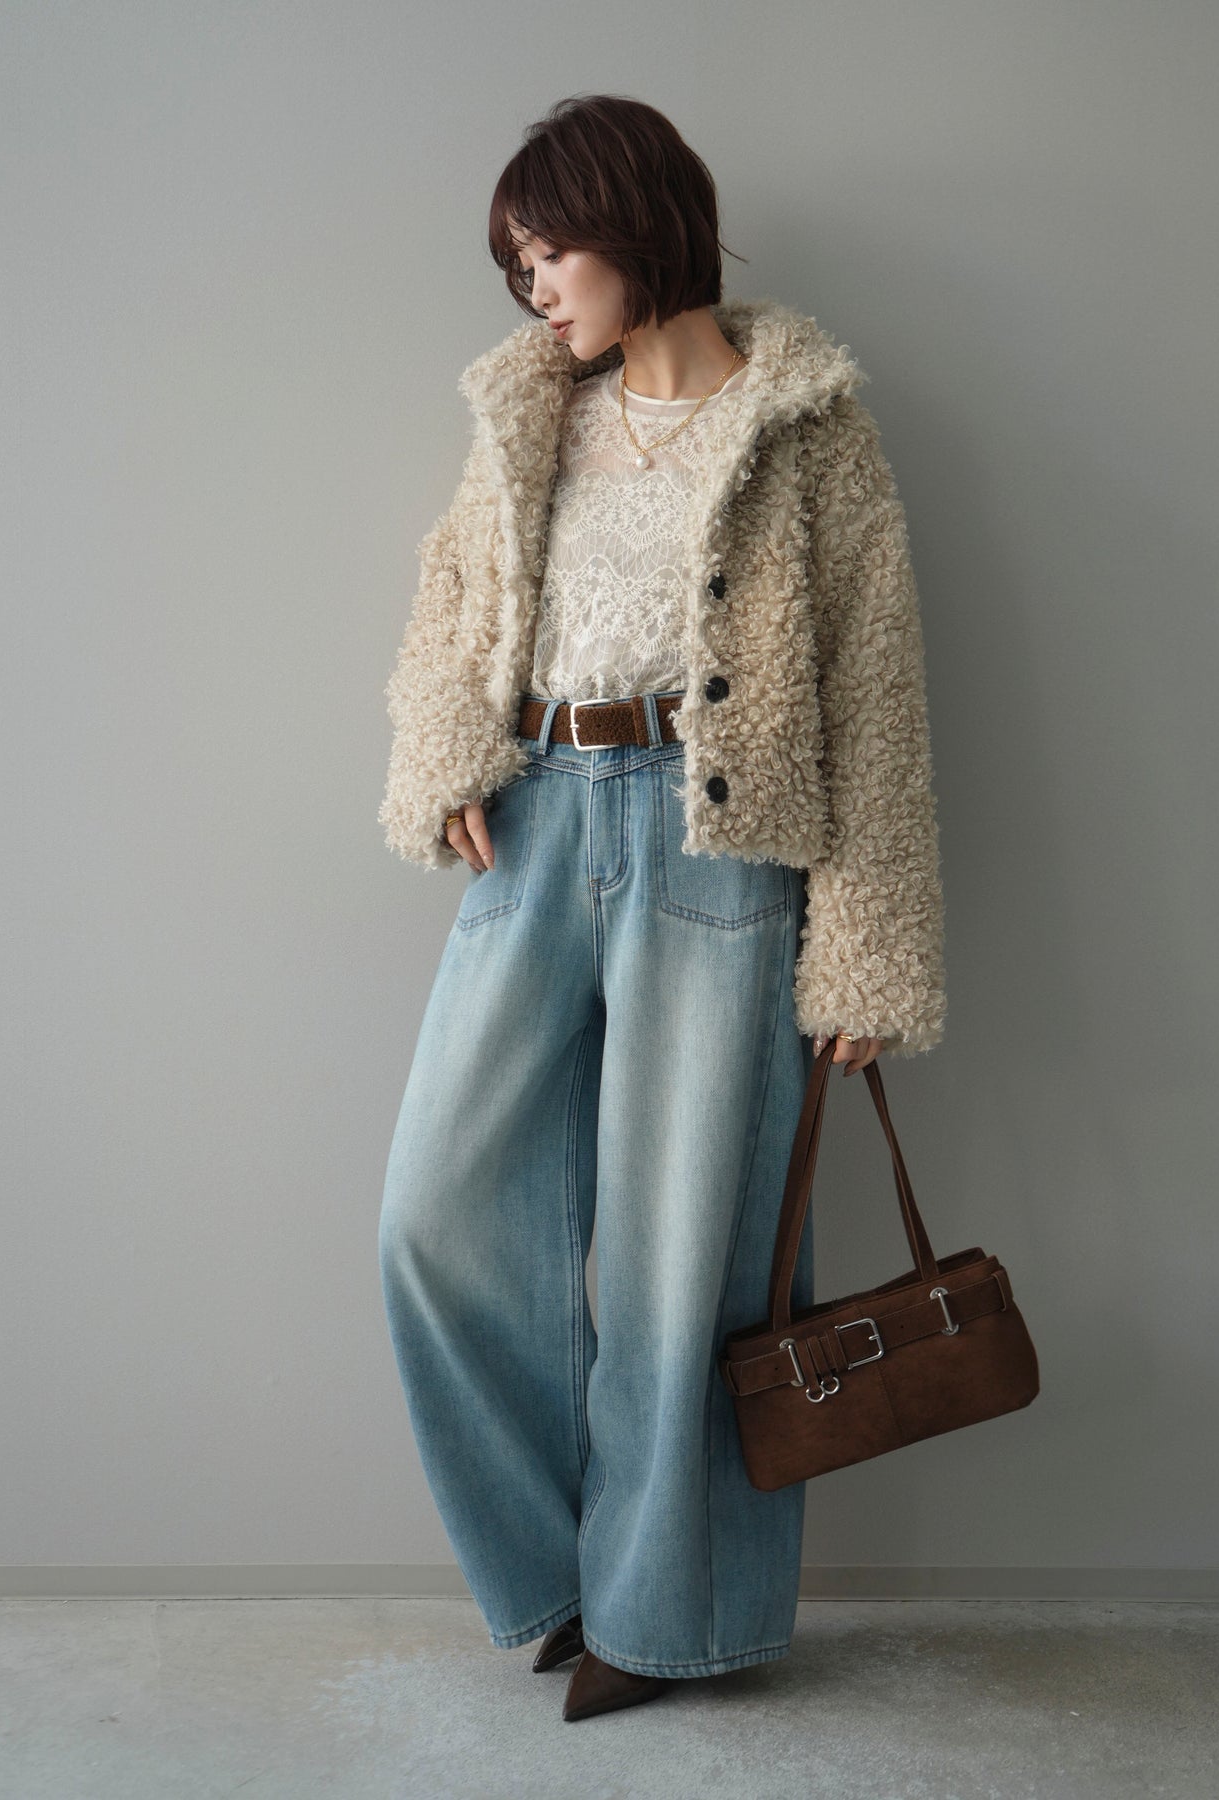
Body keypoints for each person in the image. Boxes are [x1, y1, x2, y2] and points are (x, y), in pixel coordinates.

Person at [377, 93, 946, 1722]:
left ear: (634, 225)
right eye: (516, 265)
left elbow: (873, 690)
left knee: (684, 1255)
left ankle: (664, 1613)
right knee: (435, 1217)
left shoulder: (805, 423)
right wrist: (446, 755)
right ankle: (559, 1568)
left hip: (720, 842)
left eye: (548, 251)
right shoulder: (527, 415)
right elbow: (449, 601)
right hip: (541, 821)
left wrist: (868, 946)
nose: (532, 289)